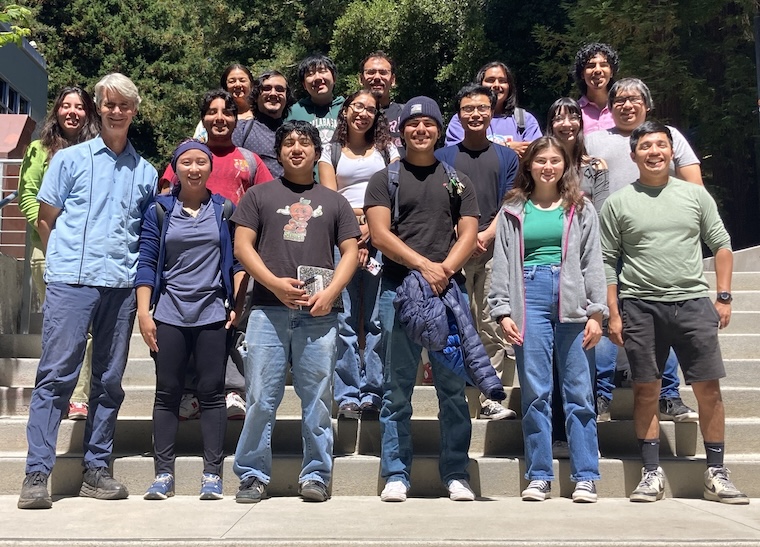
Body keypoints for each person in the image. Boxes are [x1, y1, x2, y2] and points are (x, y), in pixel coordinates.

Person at [18, 73, 157, 509]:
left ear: (134, 111)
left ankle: (97, 469)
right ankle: (36, 474)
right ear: (99, 108)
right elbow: (46, 219)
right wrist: (64, 263)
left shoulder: (147, 173)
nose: (117, 111)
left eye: (125, 105)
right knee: (56, 376)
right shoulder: (69, 160)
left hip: (119, 285)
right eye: (109, 104)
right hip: (72, 283)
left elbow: (144, 233)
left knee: (110, 381)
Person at [600, 121, 748, 505]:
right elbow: (606, 261)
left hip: (693, 303)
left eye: (661, 145)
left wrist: (724, 296)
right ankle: (651, 472)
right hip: (639, 305)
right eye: (645, 146)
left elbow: (722, 244)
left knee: (709, 391)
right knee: (646, 390)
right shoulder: (618, 202)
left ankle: (716, 472)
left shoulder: (695, 196)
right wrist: (613, 313)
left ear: (671, 151)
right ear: (633, 156)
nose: (654, 152)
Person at [232, 120, 360, 503]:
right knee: (259, 398)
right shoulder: (258, 195)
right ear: (279, 152)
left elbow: (351, 251)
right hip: (267, 312)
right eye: (288, 143)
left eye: (304, 142)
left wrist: (332, 293)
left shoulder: (334, 201)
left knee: (318, 398)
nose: (296, 148)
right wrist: (273, 283)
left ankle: (317, 475)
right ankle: (252, 475)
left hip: (319, 313)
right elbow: (243, 247)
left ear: (316, 152)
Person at [365, 96, 480, 503]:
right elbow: (379, 235)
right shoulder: (386, 179)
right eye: (413, 125)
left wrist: (444, 270)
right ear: (402, 130)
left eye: (428, 125)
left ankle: (456, 472)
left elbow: (469, 232)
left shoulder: (456, 179)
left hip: (448, 294)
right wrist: (422, 266)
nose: (421, 131)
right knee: (396, 388)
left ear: (437, 129)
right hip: (398, 291)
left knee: (452, 388)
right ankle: (396, 472)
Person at [488, 136, 607, 503]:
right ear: (530, 166)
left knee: (578, 391)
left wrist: (597, 313)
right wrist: (502, 310)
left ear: (564, 166)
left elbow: (593, 261)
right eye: (541, 160)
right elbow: (503, 261)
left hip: (572, 297)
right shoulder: (513, 208)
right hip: (530, 294)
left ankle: (585, 475)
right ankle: (539, 475)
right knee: (537, 392)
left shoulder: (581, 207)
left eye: (555, 160)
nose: (548, 167)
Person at [136, 140, 246, 501]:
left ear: (210, 168)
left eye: (201, 162)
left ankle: (212, 474)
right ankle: (163, 474)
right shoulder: (160, 210)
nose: (194, 168)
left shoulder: (224, 210)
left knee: (212, 393)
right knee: (167, 393)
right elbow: (148, 263)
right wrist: (144, 312)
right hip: (169, 313)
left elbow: (237, 262)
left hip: (213, 313)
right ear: (176, 169)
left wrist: (237, 302)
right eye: (187, 163)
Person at [586, 78, 701, 422]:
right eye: (619, 99)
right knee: (606, 317)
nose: (626, 104)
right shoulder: (592, 139)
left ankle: (669, 395)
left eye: (634, 99)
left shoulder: (669, 136)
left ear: (647, 105)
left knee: (662, 318)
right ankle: (601, 395)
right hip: (604, 241)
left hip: (656, 242)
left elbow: (695, 187)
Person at [161, 89, 272, 420]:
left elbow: (265, 201)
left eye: (227, 112)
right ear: (203, 118)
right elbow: (166, 194)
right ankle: (192, 392)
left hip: (236, 254)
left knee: (233, 322)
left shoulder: (250, 160)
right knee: (191, 323)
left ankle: (233, 389)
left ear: (236, 120)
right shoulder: (186, 155)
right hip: (189, 257)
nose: (220, 118)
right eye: (212, 112)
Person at [434, 84, 519, 421]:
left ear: (492, 112)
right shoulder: (444, 157)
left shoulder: (507, 157)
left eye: (482, 108)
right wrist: (465, 236)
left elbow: (512, 202)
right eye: (468, 109)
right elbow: (440, 203)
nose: (475, 115)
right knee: (456, 321)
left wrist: (484, 234)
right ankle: (455, 396)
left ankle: (490, 395)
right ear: (459, 114)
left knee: (491, 321)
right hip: (453, 250)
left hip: (495, 246)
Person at [17, 86, 100, 421]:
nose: (72, 112)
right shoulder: (38, 150)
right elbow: (27, 197)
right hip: (46, 249)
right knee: (57, 326)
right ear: (56, 111)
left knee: (88, 328)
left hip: (89, 255)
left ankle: (78, 397)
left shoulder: (98, 152)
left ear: (88, 113)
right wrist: (50, 235)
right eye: (65, 105)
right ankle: (53, 393)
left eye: (79, 107)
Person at [317, 89, 399, 419]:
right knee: (344, 318)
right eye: (356, 106)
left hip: (382, 238)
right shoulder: (330, 150)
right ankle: (349, 393)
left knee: (378, 320)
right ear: (346, 110)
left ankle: (374, 392)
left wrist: (370, 232)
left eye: (369, 109)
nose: (362, 113)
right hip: (341, 240)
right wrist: (356, 236)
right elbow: (329, 198)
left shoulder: (388, 149)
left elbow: (396, 193)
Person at [545, 98, 614, 437]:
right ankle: (558, 430)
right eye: (559, 118)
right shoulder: (541, 162)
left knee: (586, 350)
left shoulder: (594, 167)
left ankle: (595, 408)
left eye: (573, 116)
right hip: (544, 268)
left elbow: (597, 214)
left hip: (585, 263)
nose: (567, 123)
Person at [445, 61, 541, 156]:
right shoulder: (462, 119)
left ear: (509, 86)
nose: (496, 85)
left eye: (502, 81)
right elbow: (456, 155)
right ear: (480, 84)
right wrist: (507, 147)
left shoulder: (525, 119)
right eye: (490, 80)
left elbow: (536, 155)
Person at [235, 70, 296, 178]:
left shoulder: (295, 134)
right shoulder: (240, 130)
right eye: (266, 88)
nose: (273, 93)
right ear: (256, 95)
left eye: (279, 89)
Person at [287, 54, 345, 146]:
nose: (317, 78)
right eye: (310, 74)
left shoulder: (347, 108)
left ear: (334, 78)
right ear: (304, 85)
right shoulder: (293, 112)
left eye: (322, 71)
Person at [194, 64, 255, 143]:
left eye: (242, 80)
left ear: (251, 85)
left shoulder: (261, 117)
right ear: (225, 86)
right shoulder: (210, 120)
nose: (237, 85)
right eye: (232, 81)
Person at [359, 50, 405, 152]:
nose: (377, 78)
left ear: (392, 80)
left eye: (383, 73)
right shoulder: (352, 117)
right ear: (361, 79)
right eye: (371, 72)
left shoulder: (405, 114)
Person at [573, 43, 620, 134]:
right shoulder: (574, 112)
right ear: (582, 74)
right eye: (591, 66)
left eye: (603, 65)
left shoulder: (621, 108)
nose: (597, 70)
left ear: (611, 72)